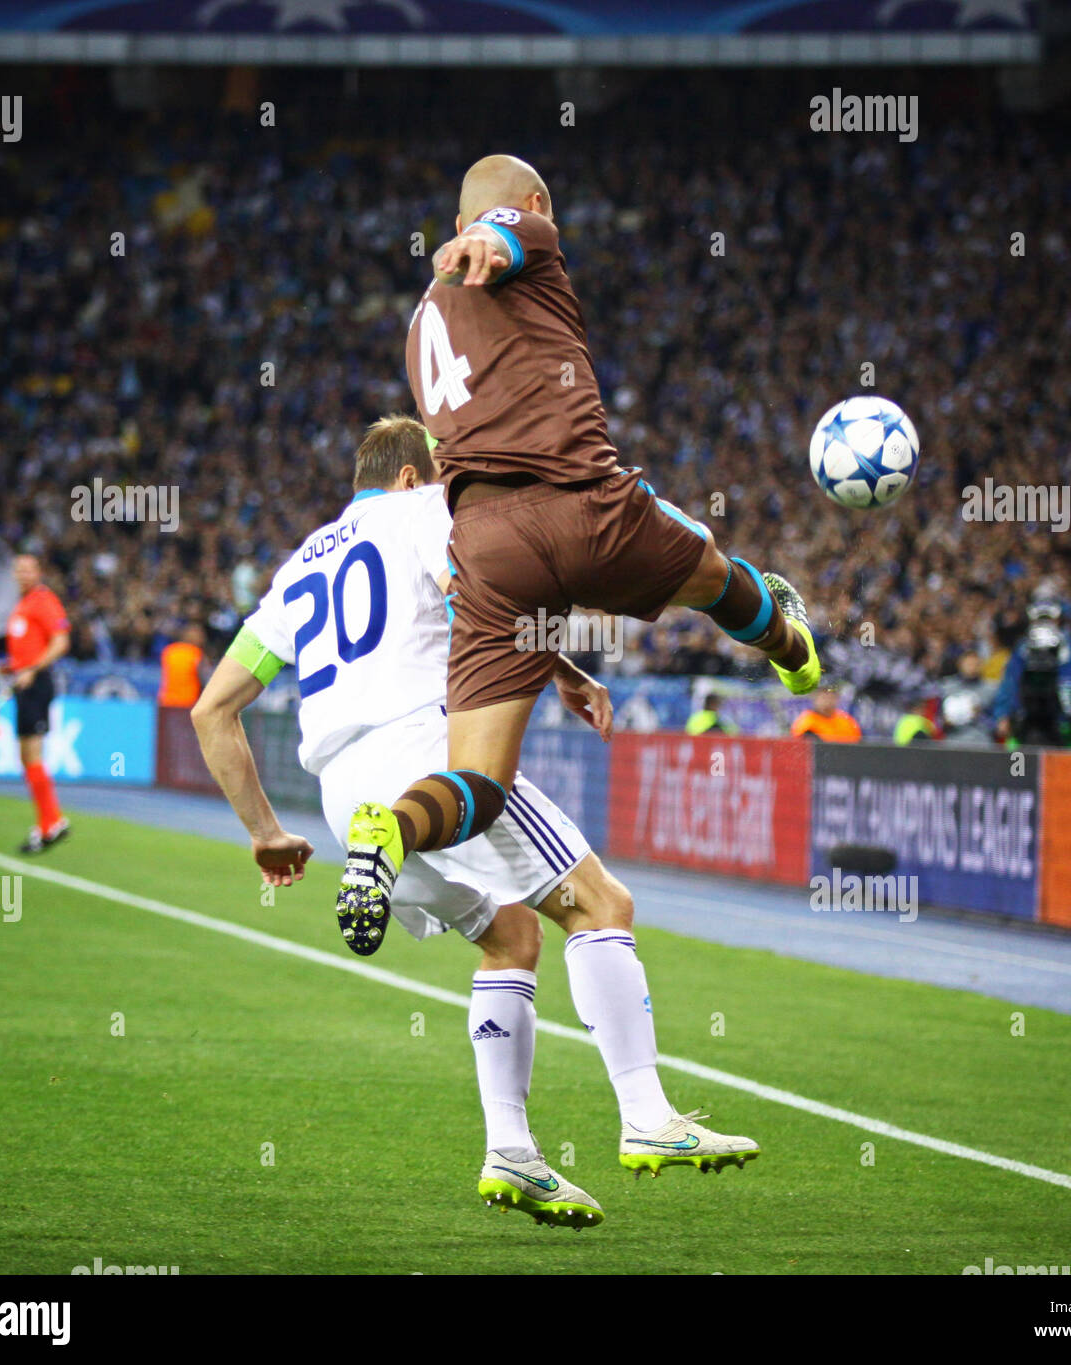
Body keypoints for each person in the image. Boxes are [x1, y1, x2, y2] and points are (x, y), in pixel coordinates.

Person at [191, 416, 758, 1230]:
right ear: (418, 476)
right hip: (436, 764)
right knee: (602, 905)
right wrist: (561, 664)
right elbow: (478, 593)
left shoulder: (297, 567)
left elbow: (213, 710)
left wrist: (264, 831)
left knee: (511, 935)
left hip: (343, 795)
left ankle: (512, 1151)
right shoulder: (425, 513)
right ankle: (648, 1117)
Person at [340, 154, 822, 950]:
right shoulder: (524, 231)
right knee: (709, 569)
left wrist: (469, 250)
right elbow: (506, 237)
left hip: (489, 550)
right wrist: (490, 244)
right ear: (533, 205)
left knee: (480, 786)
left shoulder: (421, 320)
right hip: (580, 501)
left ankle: (388, 831)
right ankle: (792, 646)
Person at [2, 553, 71, 854]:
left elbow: (61, 641)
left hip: (37, 684)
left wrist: (32, 669)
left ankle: (50, 824)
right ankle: (48, 821)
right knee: (25, 756)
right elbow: (30, 646)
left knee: (32, 753)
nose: (23, 573)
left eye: (28, 568)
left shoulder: (43, 600)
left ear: (38, 571)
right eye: (19, 569)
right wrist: (13, 666)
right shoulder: (24, 603)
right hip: (24, 681)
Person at [992, 587, 1071, 748]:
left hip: (1066, 729)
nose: (1044, 625)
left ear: (1058, 621)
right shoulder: (1020, 656)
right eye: (1039, 620)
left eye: (1049, 619)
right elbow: (1007, 689)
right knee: (1018, 771)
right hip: (1025, 727)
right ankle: (1019, 771)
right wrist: (1002, 716)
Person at [158, 623, 209, 708]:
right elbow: (204, 679)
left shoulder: (169, 650)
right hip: (189, 702)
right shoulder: (196, 653)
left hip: (167, 701)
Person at [791, 688, 862, 742]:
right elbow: (802, 744)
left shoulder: (846, 720)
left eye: (831, 698)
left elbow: (857, 743)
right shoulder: (807, 720)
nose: (827, 702)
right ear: (815, 699)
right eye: (824, 698)